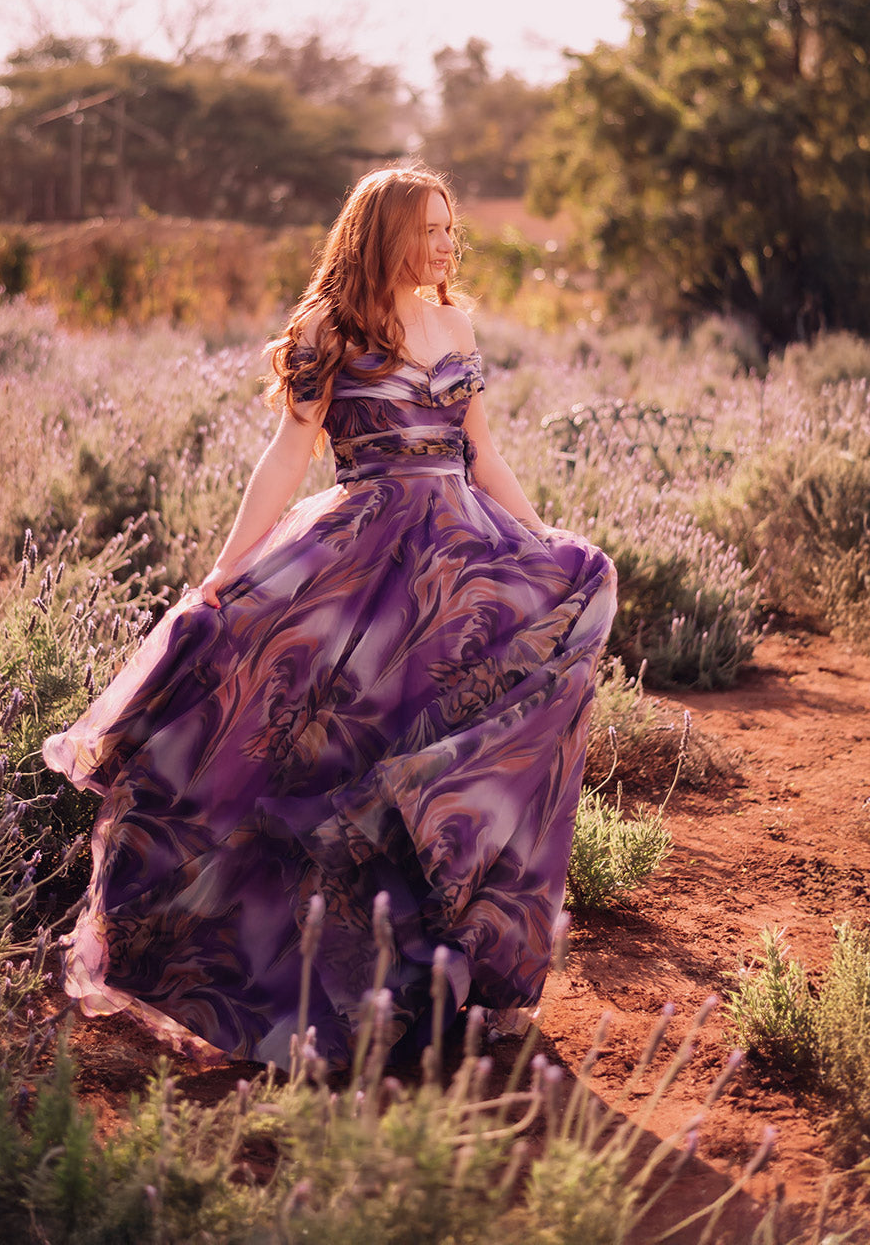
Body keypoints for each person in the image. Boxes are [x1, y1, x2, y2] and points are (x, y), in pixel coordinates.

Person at [42, 165, 617, 1069]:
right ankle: (310, 975)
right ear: (382, 233)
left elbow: (480, 450)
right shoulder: (328, 328)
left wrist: (540, 537)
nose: (445, 245)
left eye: (450, 228)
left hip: (461, 559)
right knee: (321, 737)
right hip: (365, 555)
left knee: (550, 629)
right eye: (428, 229)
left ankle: (462, 953)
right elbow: (287, 454)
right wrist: (227, 568)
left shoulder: (456, 324)